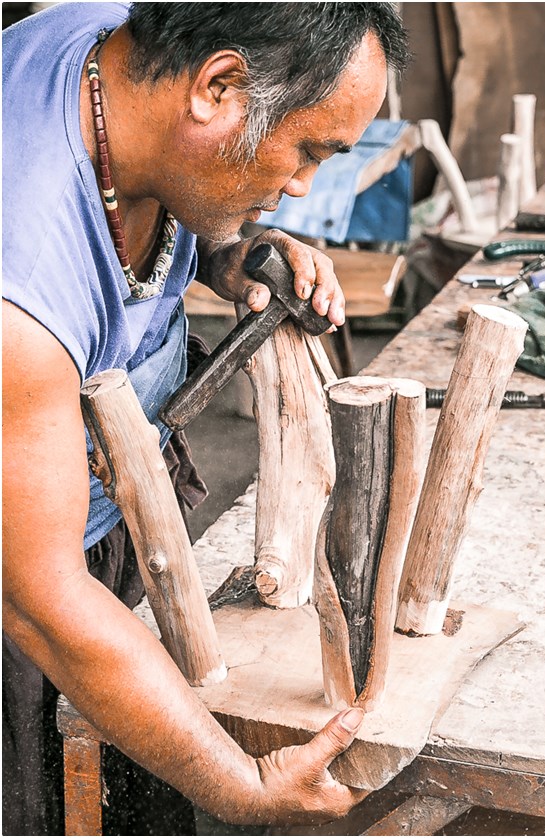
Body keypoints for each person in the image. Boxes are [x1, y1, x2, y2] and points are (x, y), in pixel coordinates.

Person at [2, 3, 409, 834]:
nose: (302, 188)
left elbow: (150, 197)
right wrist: (238, 785)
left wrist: (229, 246)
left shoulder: (124, 47)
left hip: (102, 510)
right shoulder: (20, 285)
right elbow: (35, 596)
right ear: (218, 85)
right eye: (306, 151)